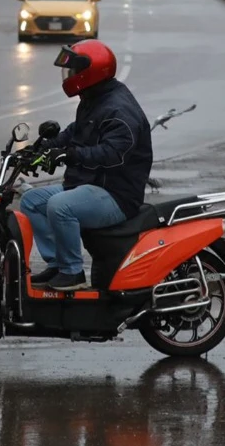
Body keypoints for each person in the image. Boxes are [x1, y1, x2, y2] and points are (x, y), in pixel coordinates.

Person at [19, 40, 152, 291]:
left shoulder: (119, 110)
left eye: (73, 70)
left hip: (115, 194)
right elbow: (73, 133)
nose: (69, 76)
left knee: (60, 206)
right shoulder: (94, 98)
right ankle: (58, 264)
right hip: (88, 185)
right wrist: (39, 150)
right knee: (32, 201)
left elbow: (113, 154)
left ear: (90, 72)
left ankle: (72, 272)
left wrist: (68, 155)